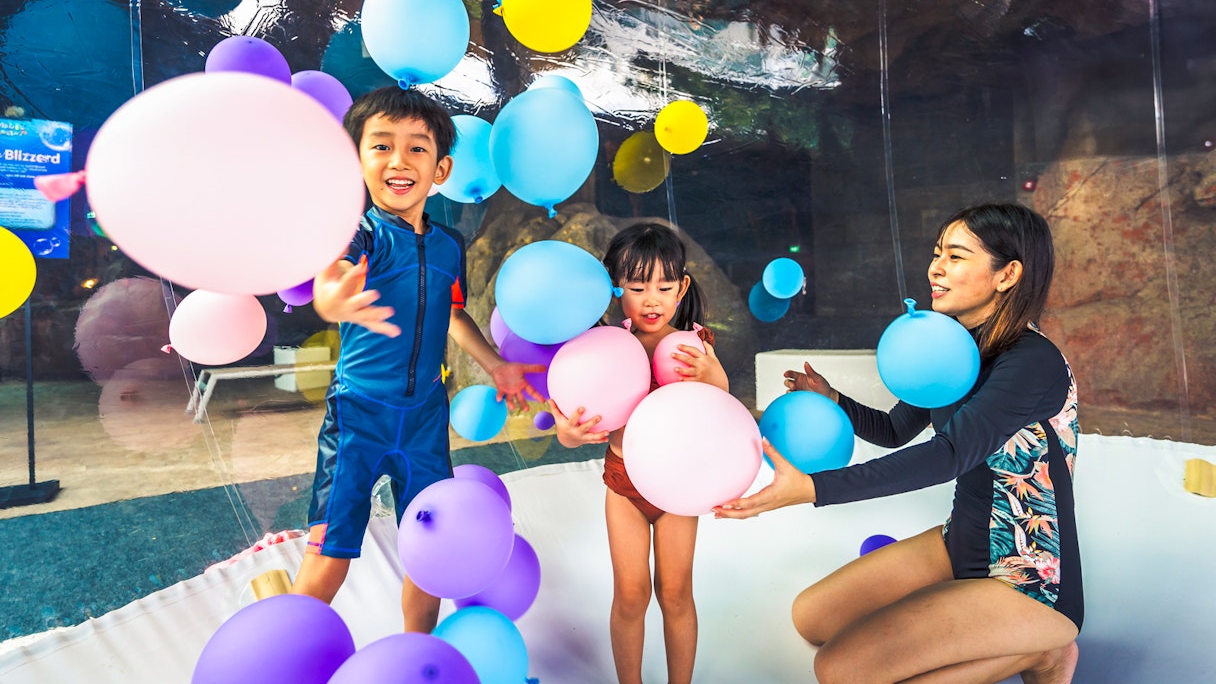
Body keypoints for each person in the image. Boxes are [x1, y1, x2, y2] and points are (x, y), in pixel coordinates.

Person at [715, 203, 1083, 684]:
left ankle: (1046, 651)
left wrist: (812, 488)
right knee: (813, 617)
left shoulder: (1031, 362)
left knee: (839, 671)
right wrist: (836, 400)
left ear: (1007, 274)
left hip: (1029, 579)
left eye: (955, 256)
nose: (935, 268)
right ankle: (1009, 638)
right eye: (936, 254)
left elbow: (947, 455)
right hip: (960, 547)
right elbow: (894, 431)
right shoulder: (948, 348)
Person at [290, 86, 541, 632]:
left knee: (430, 556)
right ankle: (287, 652)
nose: (399, 161)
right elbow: (331, 279)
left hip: (425, 417)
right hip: (359, 415)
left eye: (416, 149)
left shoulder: (449, 246)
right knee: (329, 556)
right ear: (357, 160)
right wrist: (332, 299)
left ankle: (416, 657)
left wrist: (496, 364)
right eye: (381, 146)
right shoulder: (360, 234)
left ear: (442, 168)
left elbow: (452, 315)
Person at [551, 222, 729, 684]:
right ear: (614, 286)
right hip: (624, 483)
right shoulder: (601, 346)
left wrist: (712, 377)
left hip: (676, 487)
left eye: (664, 287)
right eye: (636, 286)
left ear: (681, 287)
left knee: (675, 594)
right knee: (630, 596)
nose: (651, 299)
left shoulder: (693, 345)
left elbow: (722, 400)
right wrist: (570, 434)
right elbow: (566, 430)